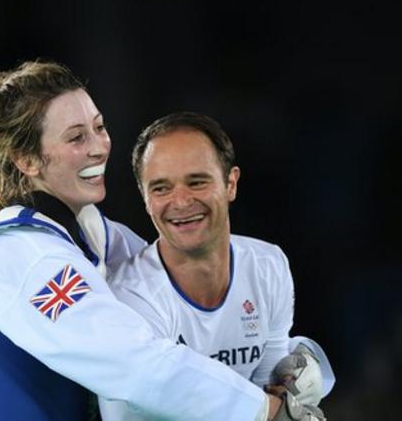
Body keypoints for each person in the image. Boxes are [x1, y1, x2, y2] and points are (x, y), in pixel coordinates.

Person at [0, 61, 300, 421]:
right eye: (76, 137)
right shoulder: (22, 256)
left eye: (99, 127)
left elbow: (184, 311)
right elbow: (134, 363)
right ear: (27, 160)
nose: (98, 146)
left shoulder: (96, 237)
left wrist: (296, 363)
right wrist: (262, 409)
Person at [99, 112, 335, 421]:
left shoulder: (268, 265)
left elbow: (272, 394)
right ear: (145, 199)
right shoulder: (129, 297)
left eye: (196, 182)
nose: (181, 201)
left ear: (231, 183)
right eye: (161, 188)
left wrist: (288, 394)